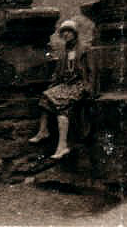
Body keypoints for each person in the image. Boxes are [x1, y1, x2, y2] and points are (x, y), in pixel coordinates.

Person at [29, 18, 93, 159]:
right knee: (46, 96)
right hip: (67, 85)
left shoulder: (84, 49)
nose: (66, 35)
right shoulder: (64, 51)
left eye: (69, 32)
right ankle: (43, 131)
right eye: (63, 33)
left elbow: (91, 70)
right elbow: (58, 72)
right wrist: (53, 84)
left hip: (79, 85)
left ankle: (62, 146)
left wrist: (90, 88)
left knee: (62, 106)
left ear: (75, 33)